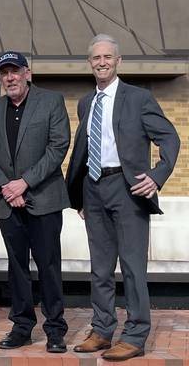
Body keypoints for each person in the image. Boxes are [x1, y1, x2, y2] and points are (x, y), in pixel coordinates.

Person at [66, 34, 180, 361]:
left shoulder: (138, 98)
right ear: (90, 63)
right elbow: (84, 150)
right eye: (96, 58)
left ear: (118, 61)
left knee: (132, 266)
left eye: (107, 57)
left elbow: (169, 139)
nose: (101, 62)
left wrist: (157, 176)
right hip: (93, 189)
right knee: (100, 268)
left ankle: (134, 334)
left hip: (127, 189)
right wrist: (81, 196)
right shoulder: (87, 102)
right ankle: (102, 330)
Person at [0, 51, 70, 353]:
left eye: (15, 71)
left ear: (27, 73)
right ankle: (21, 326)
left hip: (43, 199)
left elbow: (58, 147)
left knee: (49, 265)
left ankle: (55, 329)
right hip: (8, 202)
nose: (10, 77)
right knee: (16, 267)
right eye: (4, 73)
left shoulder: (51, 101)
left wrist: (24, 183)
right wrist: (6, 187)